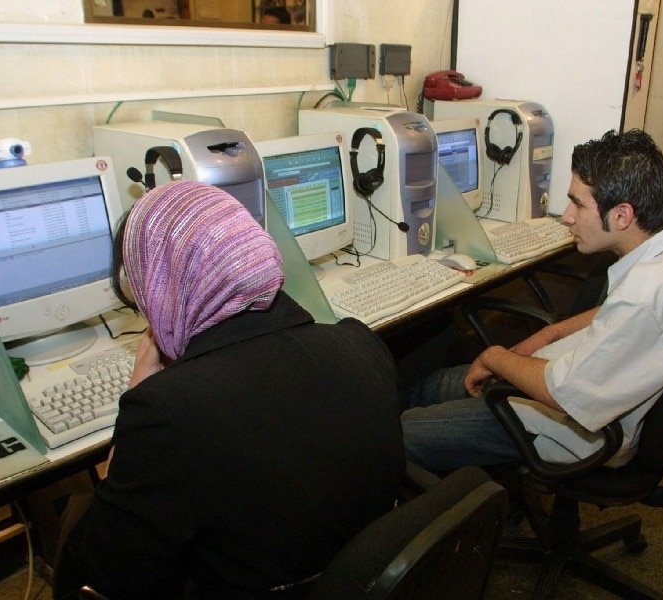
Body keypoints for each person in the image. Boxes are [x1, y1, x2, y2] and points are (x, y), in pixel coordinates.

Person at [53, 181, 405, 599]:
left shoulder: (166, 411)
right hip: (362, 581)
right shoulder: (358, 341)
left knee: (77, 514)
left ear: (163, 289)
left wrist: (135, 403)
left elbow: (99, 578)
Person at [402, 129, 663, 472]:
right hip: (580, 374)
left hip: (563, 428)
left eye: (579, 204)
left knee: (402, 437)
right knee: (434, 386)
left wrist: (494, 356)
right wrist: (552, 333)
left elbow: (562, 392)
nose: (568, 216)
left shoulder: (645, 293)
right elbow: (623, 314)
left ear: (622, 215)